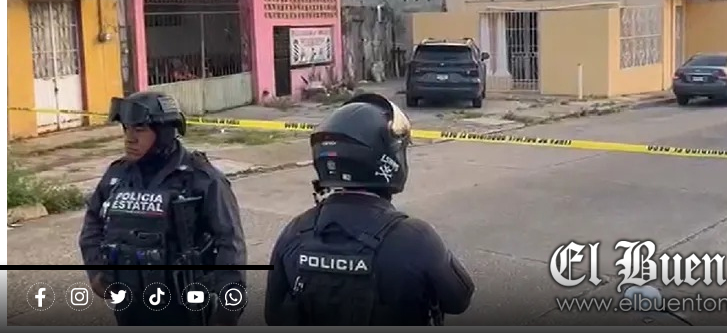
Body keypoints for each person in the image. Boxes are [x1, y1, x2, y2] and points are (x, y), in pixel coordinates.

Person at [264, 93, 474, 326]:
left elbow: (273, 314)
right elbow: (459, 299)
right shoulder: (416, 238)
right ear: (388, 158)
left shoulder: (294, 232)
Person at [78, 91, 248, 326]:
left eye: (139, 130)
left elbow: (230, 243)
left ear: (164, 132)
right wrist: (96, 272)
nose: (129, 138)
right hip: (130, 304)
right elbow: (92, 223)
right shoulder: (118, 174)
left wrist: (227, 313)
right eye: (126, 129)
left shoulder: (201, 179)